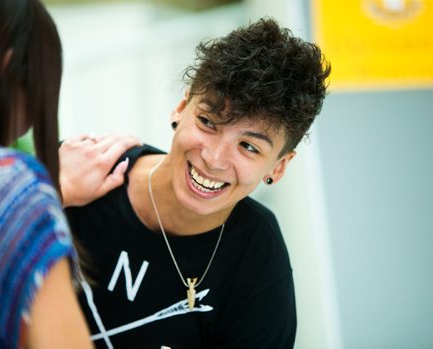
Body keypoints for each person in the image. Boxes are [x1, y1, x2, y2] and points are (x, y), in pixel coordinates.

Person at [63, 17, 331, 348]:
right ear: (181, 107)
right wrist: (49, 191)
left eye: (248, 146)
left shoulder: (256, 257)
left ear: (278, 167)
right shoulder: (83, 173)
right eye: (207, 122)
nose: (215, 159)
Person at [0, 1, 138, 348]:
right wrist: (28, 197)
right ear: (7, 64)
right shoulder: (8, 186)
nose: (13, 140)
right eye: (19, 127)